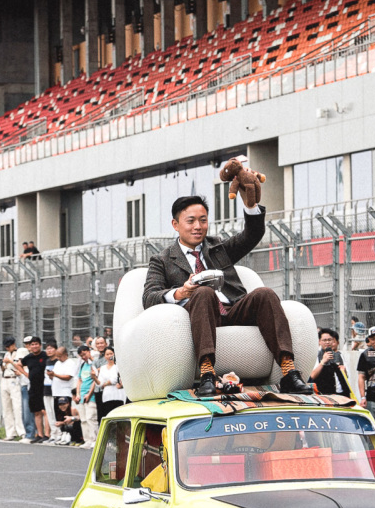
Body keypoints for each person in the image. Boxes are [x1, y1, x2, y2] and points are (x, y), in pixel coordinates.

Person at [142, 162, 312, 397]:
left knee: (265, 294)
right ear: (176, 225)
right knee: (203, 292)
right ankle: (207, 374)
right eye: (190, 221)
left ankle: (289, 372)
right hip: (199, 313)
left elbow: (251, 235)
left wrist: (250, 206)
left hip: (233, 309)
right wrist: (182, 292)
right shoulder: (162, 260)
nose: (198, 226)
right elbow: (149, 298)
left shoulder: (217, 246)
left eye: (203, 220)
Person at [48, 345, 78, 445]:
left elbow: (68, 377)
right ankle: (62, 434)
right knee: (59, 415)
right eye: (57, 356)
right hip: (56, 392)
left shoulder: (70, 363)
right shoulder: (57, 363)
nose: (58, 358)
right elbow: (55, 376)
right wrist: (51, 376)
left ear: (65, 354)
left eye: (60, 356)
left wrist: (55, 375)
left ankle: (69, 434)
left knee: (67, 414)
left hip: (65, 392)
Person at [310, 328, 351, 397]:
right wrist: (323, 362)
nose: (327, 342)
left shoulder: (339, 355)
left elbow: (347, 376)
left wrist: (344, 371)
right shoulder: (316, 356)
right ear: (319, 341)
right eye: (324, 340)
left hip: (342, 395)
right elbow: (312, 376)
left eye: (329, 340)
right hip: (324, 395)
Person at [0, 337, 26, 441]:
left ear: (13, 344)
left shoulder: (20, 352)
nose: (8, 348)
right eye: (6, 346)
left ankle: (21, 431)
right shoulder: (6, 354)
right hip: (5, 379)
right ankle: (10, 432)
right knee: (6, 408)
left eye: (9, 346)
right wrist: (2, 364)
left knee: (17, 407)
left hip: (14, 379)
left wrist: (10, 361)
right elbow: (4, 368)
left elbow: (19, 366)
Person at [23, 337, 50, 442]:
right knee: (36, 412)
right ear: (30, 346)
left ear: (40, 345)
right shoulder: (28, 358)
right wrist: (26, 374)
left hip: (44, 386)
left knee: (45, 411)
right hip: (33, 387)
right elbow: (19, 364)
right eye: (32, 344)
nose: (34, 346)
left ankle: (47, 435)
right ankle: (39, 434)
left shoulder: (45, 355)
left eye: (36, 344)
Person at [74, 346, 99, 448]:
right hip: (82, 395)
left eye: (84, 354)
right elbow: (79, 380)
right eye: (81, 356)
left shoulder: (94, 364)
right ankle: (87, 439)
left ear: (89, 352)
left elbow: (95, 379)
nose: (83, 357)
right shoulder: (83, 365)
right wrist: (78, 394)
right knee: (83, 419)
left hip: (90, 396)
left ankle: (95, 439)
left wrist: (89, 393)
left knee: (91, 418)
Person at [96, 346, 126, 419]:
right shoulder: (103, 368)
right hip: (107, 396)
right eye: (107, 354)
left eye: (111, 353)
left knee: (119, 416)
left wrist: (105, 384)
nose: (109, 356)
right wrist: (94, 377)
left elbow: (115, 379)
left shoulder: (118, 366)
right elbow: (100, 383)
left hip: (118, 394)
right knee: (109, 416)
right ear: (105, 356)